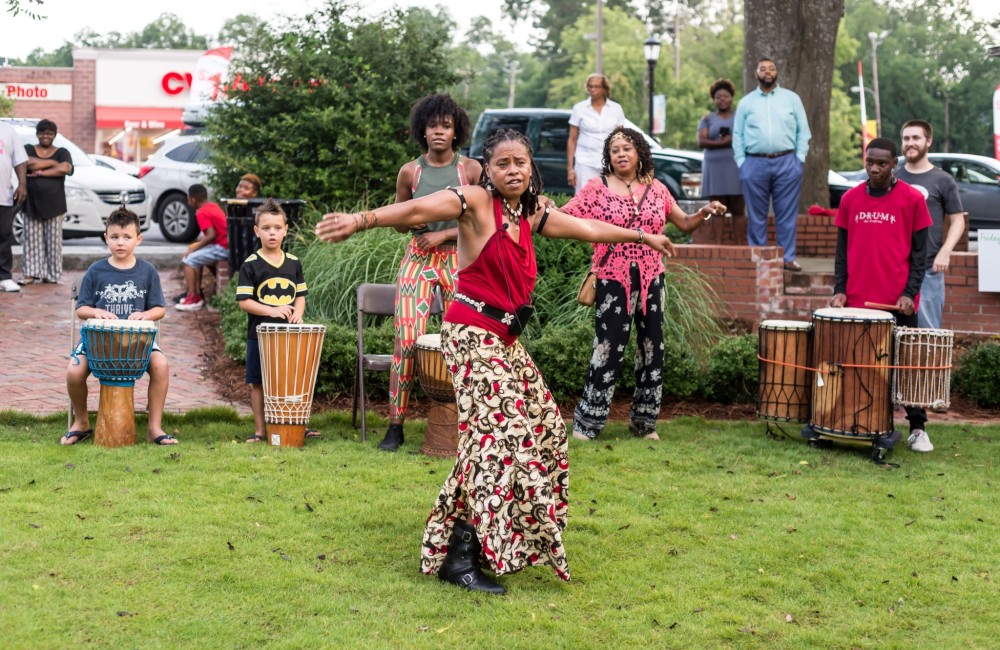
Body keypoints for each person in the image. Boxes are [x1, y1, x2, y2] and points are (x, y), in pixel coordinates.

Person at [316, 128, 677, 595]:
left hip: (505, 339)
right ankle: (461, 556)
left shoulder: (533, 213)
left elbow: (587, 229)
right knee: (499, 437)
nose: (513, 170)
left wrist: (643, 236)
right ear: (488, 169)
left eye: (520, 163)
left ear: (531, 169)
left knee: (544, 428)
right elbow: (418, 209)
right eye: (503, 163)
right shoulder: (475, 202)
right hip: (471, 335)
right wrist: (362, 219)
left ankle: (471, 539)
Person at [562, 126, 725, 441]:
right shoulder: (597, 188)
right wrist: (541, 206)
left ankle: (645, 423)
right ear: (608, 157)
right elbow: (565, 217)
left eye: (627, 148)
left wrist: (704, 211)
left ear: (639, 153)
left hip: (652, 277)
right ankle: (588, 423)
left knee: (653, 348)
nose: (621, 154)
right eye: (615, 150)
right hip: (612, 278)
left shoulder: (658, 189)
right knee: (607, 349)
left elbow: (685, 222)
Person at [377, 94, 482, 452]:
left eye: (446, 126)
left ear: (456, 131)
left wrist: (444, 232)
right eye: (433, 125)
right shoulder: (411, 171)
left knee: (464, 341)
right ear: (423, 129)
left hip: (459, 258)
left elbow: (481, 221)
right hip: (419, 258)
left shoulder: (470, 170)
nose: (439, 131)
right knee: (406, 340)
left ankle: (468, 426)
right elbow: (396, 220)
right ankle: (395, 426)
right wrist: (410, 219)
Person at [830, 137, 934, 453]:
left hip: (897, 302)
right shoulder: (849, 199)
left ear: (894, 164)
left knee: (907, 367)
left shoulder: (913, 199)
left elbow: (920, 255)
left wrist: (909, 293)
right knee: (861, 368)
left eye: (882, 163)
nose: (874, 169)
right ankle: (860, 422)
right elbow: (841, 252)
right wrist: (839, 290)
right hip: (858, 304)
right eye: (870, 162)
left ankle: (917, 428)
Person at [65, 207, 177, 446]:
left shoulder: (147, 271)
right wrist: (95, 311)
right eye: (114, 237)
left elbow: (160, 309)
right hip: (97, 340)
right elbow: (81, 309)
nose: (120, 242)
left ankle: (154, 427)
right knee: (74, 371)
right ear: (106, 237)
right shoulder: (96, 270)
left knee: (161, 365)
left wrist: (146, 314)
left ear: (138, 239)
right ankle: (81, 422)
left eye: (127, 237)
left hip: (138, 341)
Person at [236, 199, 309, 443]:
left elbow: (300, 295)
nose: (272, 233)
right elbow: (244, 301)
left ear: (286, 230)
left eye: (277, 228)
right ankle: (260, 430)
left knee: (290, 379)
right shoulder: (251, 265)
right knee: (258, 382)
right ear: (257, 231)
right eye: (266, 228)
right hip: (259, 335)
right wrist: (271, 310)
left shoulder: (293, 262)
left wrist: (298, 312)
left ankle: (294, 422)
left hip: (289, 334)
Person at [733, 58, 811, 271]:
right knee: (756, 214)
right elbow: (737, 134)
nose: (767, 72)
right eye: (763, 69)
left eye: (772, 68)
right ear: (755, 74)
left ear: (777, 72)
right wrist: (742, 162)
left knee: (786, 213)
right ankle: (759, 258)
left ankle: (787, 258)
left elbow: (803, 131)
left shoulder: (791, 99)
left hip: (787, 162)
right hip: (754, 163)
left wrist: (799, 158)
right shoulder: (746, 103)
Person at [894, 119, 964, 330]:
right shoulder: (893, 177)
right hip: (896, 268)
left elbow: (957, 220)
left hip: (928, 269)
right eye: (906, 138)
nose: (910, 143)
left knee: (927, 333)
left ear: (929, 141)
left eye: (916, 137)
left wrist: (946, 251)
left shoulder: (943, 180)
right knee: (893, 333)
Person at [19, 119, 74, 286]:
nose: (45, 136)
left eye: (49, 133)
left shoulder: (62, 151)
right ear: (37, 134)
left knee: (54, 243)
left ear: (54, 135)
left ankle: (53, 275)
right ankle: (30, 274)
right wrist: (52, 163)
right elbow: (27, 162)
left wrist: (40, 172)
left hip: (55, 205)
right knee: (31, 241)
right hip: (31, 203)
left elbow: (65, 168)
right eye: (42, 132)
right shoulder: (28, 148)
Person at [697, 79, 743, 244]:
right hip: (714, 167)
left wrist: (729, 141)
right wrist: (724, 142)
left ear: (732, 97)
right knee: (717, 208)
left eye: (726, 96)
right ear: (714, 99)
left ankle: (740, 247)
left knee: (738, 208)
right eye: (718, 97)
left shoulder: (740, 117)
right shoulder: (707, 118)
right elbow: (701, 141)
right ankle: (717, 247)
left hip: (735, 166)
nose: (722, 99)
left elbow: (745, 138)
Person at [567, 73, 626, 193]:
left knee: (611, 198)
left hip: (609, 162)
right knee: (584, 198)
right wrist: (570, 169)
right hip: (585, 161)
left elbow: (621, 138)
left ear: (604, 88)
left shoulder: (616, 109)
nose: (592, 89)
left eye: (596, 86)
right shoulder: (579, 108)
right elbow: (572, 140)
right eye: (590, 86)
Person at [176, 184, 228, 312]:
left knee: (188, 260)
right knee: (195, 259)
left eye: (188, 199)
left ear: (193, 199)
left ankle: (193, 298)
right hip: (225, 243)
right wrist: (198, 244)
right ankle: (197, 295)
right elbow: (215, 232)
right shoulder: (212, 206)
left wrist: (192, 249)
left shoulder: (201, 212)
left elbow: (211, 235)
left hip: (223, 247)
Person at [0, 120, 28, 293]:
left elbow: (19, 160)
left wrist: (22, 184)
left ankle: (4, 277)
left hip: (3, 194)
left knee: (3, 238)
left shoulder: (7, 130)